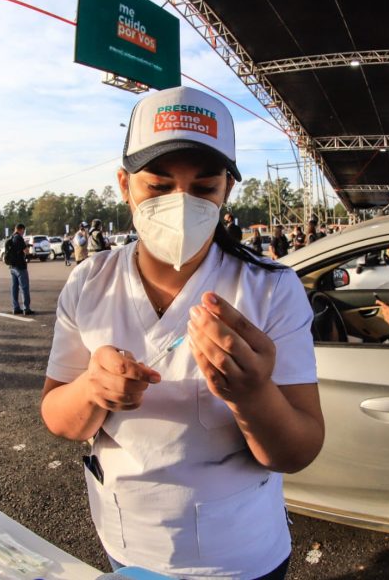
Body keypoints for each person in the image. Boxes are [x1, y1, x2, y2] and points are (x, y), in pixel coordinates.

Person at [40, 86, 324, 580]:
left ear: (226, 193)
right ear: (124, 184)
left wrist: (253, 395)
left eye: (203, 188)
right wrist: (92, 390)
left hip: (239, 554)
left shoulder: (270, 289)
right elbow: (59, 417)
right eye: (158, 185)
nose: (180, 204)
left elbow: (298, 450)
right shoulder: (89, 282)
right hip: (127, 542)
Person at [7, 223, 33, 315]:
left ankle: (16, 308)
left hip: (12, 266)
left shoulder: (11, 237)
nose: (23, 233)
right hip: (20, 266)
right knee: (24, 287)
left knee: (14, 288)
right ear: (21, 229)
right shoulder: (19, 238)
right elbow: (25, 250)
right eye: (23, 231)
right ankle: (26, 308)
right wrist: (27, 248)